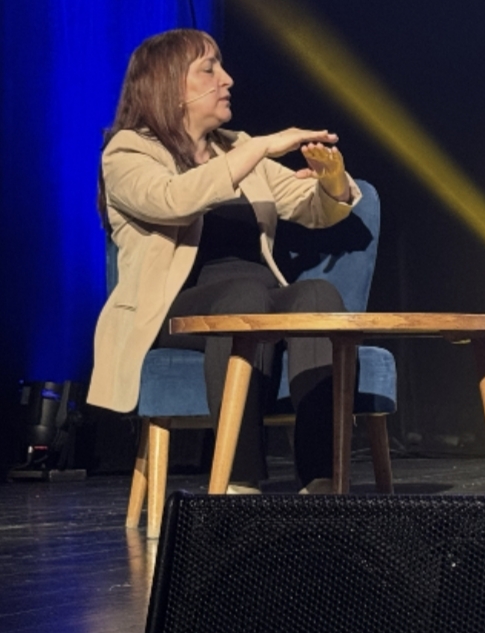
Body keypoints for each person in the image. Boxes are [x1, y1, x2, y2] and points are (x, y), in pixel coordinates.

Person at [88, 28, 363, 494]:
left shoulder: (234, 148)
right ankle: (239, 478)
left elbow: (312, 207)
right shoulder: (129, 152)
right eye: (209, 69)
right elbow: (172, 200)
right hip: (173, 308)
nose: (227, 79)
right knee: (243, 294)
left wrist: (332, 180)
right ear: (170, 84)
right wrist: (258, 147)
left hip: (259, 300)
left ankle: (323, 478)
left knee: (318, 294)